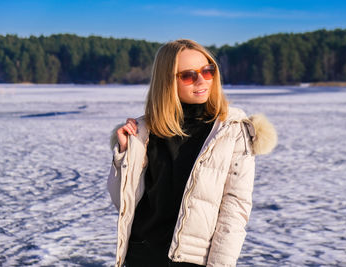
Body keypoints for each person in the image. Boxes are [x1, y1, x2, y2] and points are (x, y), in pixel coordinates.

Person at [107, 39, 277, 267]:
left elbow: (234, 210)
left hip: (192, 261)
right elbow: (124, 204)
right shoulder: (144, 131)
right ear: (167, 81)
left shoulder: (233, 131)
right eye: (188, 75)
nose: (201, 80)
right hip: (142, 256)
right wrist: (125, 155)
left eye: (208, 71)